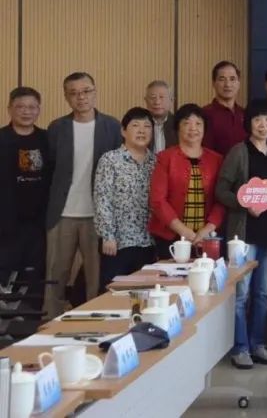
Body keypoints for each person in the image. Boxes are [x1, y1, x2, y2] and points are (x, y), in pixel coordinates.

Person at [45, 72, 121, 318]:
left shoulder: (112, 126)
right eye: (74, 93)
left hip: (97, 216)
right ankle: (49, 323)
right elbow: (50, 168)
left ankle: (94, 323)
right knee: (55, 277)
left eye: (86, 91)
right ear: (66, 97)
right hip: (62, 213)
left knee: (95, 280)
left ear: (95, 92)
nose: (81, 97)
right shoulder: (57, 128)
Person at [215, 100, 267, 369]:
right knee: (241, 294)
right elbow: (221, 190)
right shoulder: (239, 152)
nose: (263, 125)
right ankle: (240, 347)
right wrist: (244, 203)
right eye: (257, 120)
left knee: (263, 294)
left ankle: (258, 345)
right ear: (248, 123)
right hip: (243, 235)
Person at [148, 104, 225, 260]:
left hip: (206, 237)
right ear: (178, 128)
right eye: (186, 123)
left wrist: (207, 230)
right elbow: (158, 200)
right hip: (171, 236)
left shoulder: (216, 159)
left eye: (198, 123)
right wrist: (184, 231)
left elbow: (221, 199)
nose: (193, 128)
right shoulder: (165, 158)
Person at [93, 108, 156, 288]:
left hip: (148, 241)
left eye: (147, 126)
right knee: (114, 292)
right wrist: (108, 236)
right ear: (123, 131)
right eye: (135, 125)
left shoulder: (156, 162)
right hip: (118, 242)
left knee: (145, 292)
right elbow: (102, 199)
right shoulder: (110, 160)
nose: (141, 131)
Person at [0, 87, 51, 286]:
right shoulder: (2, 138)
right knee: (5, 274)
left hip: (39, 222)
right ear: (9, 109)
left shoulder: (47, 139)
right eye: (20, 107)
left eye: (32, 107)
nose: (26, 111)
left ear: (39, 110)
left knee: (33, 276)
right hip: (5, 222)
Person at [202, 60, 245, 155]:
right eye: (222, 79)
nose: (227, 84)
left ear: (238, 83)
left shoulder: (245, 114)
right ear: (213, 83)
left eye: (232, 79)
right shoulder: (204, 114)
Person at [144, 80, 176, 154]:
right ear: (146, 101)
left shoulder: (178, 125)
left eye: (162, 97)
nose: (157, 102)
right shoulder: (139, 125)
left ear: (171, 101)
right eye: (153, 97)